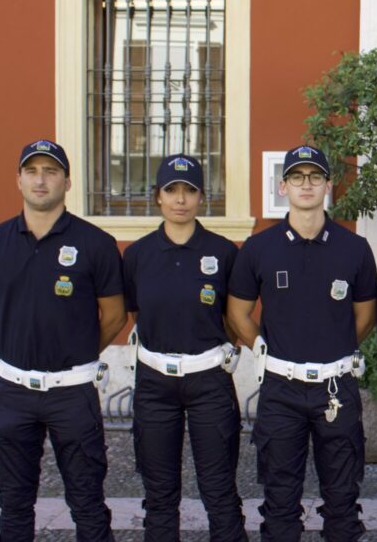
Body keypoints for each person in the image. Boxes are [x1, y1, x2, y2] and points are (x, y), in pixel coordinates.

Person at [0, 139, 125, 541]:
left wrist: (76, 352)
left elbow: (113, 316)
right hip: (14, 391)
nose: (41, 180)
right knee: (14, 504)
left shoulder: (96, 245)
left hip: (72, 393)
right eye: (32, 171)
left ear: (67, 182)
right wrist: (20, 343)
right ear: (18, 180)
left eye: (51, 171)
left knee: (87, 501)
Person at [226, 144, 377, 541]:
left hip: (336, 386)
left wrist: (334, 350)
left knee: (343, 499)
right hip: (281, 389)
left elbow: (365, 316)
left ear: (328, 185)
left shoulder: (355, 248)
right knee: (279, 500)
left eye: (314, 177)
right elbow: (238, 313)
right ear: (284, 186)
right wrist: (263, 348)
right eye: (297, 177)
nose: (306, 184)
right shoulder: (259, 247)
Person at [122, 154, 246, 540]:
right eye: (171, 190)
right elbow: (133, 312)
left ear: (201, 198)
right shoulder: (138, 255)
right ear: (157, 196)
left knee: (219, 487)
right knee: (159, 493)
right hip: (155, 384)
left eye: (189, 191)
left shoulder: (224, 252)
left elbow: (234, 318)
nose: (180, 199)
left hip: (209, 380)